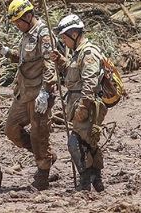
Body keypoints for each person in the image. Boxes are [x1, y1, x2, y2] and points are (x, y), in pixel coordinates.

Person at [0, 0, 57, 190]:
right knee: (10, 129)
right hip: (23, 92)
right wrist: (5, 52)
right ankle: (44, 154)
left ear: (29, 16)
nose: (16, 25)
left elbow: (50, 65)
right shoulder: (26, 33)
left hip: (39, 93)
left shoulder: (43, 34)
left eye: (18, 21)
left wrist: (46, 92)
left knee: (39, 133)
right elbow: (24, 61)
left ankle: (43, 172)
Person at [50, 14, 108, 191]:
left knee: (75, 143)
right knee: (89, 143)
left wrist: (83, 106)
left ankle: (85, 182)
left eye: (64, 37)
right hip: (78, 102)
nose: (63, 41)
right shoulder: (77, 53)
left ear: (74, 35)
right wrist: (60, 61)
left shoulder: (88, 52)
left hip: (87, 104)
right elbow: (73, 73)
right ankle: (96, 180)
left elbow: (90, 82)